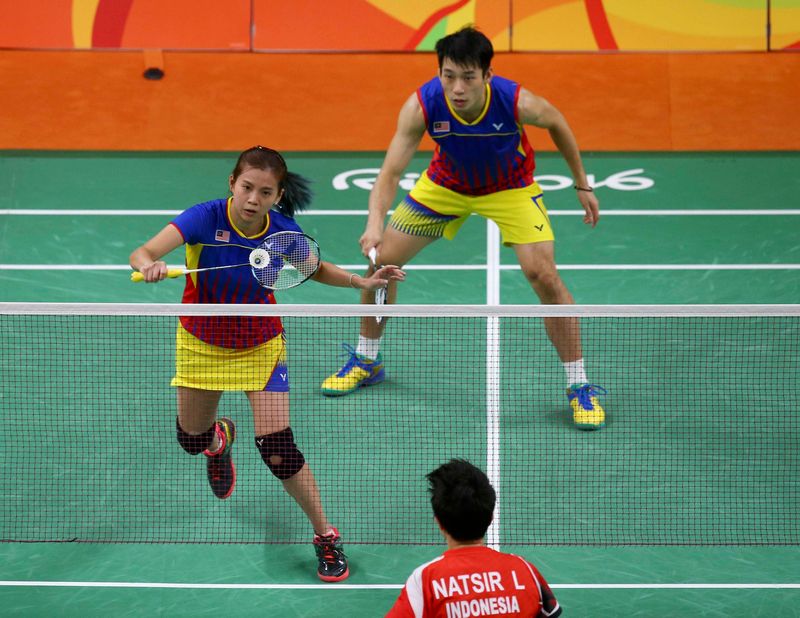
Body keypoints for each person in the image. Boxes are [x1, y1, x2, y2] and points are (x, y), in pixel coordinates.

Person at [129, 145, 405, 582]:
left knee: (277, 448)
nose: (253, 199)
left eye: (265, 192)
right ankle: (219, 441)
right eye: (246, 188)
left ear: (277, 195)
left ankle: (325, 535)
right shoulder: (204, 217)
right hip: (201, 342)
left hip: (260, 344)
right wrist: (150, 265)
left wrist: (360, 281)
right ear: (232, 185)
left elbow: (313, 268)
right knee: (190, 440)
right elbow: (143, 251)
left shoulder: (281, 231)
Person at [321, 26, 607, 430]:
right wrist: (374, 223)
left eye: (468, 77)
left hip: (511, 188)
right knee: (381, 263)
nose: (457, 87)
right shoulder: (422, 106)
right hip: (446, 187)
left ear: (487, 76)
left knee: (542, 273)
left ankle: (579, 384)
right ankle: (368, 359)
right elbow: (390, 171)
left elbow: (558, 123)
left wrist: (582, 183)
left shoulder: (516, 101)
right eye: (449, 75)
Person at [386, 459, 561, 617]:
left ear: (439, 523)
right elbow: (549, 611)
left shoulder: (425, 580)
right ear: (491, 518)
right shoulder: (524, 570)